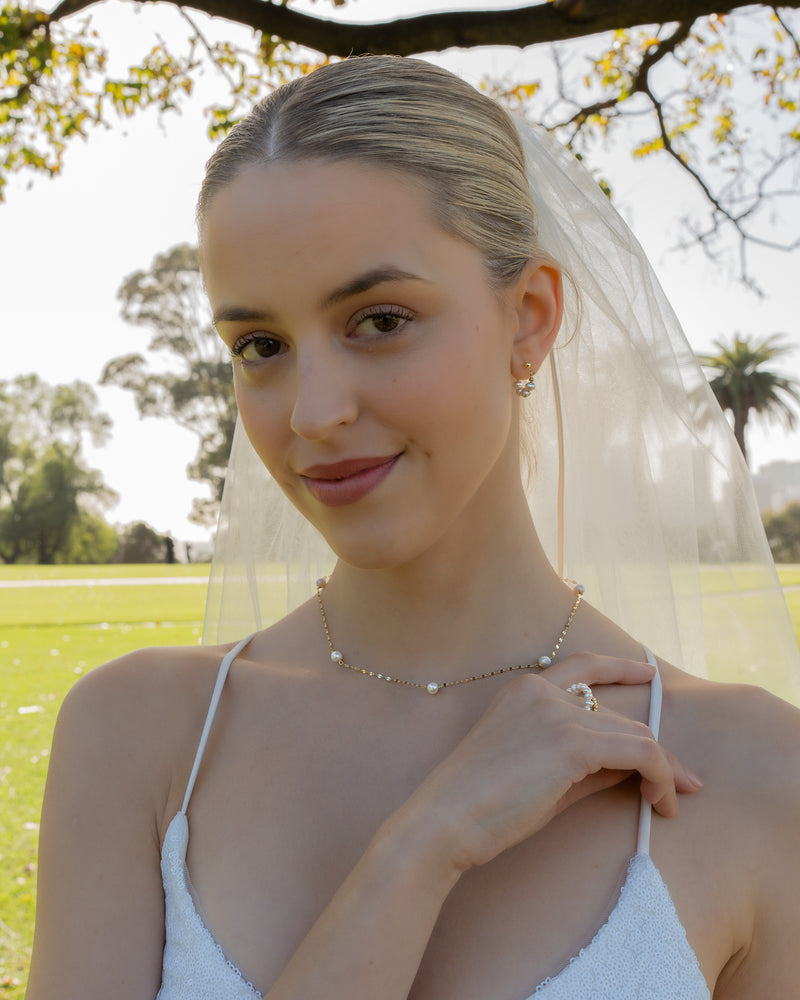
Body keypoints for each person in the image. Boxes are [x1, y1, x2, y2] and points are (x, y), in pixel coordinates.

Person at [27, 55, 800, 999]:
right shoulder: (139, 738)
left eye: (380, 320)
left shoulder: (759, 775)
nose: (312, 412)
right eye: (260, 346)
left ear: (530, 317)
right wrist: (425, 845)